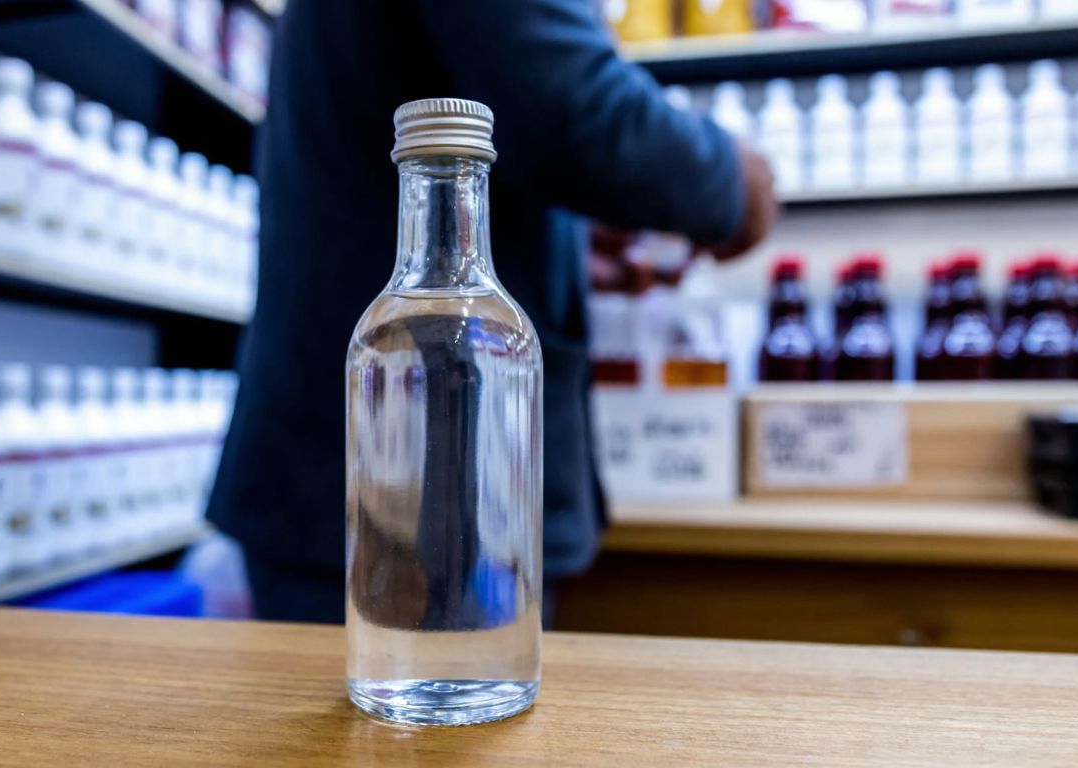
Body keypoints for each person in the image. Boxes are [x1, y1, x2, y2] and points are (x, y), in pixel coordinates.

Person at [207, 0, 778, 622]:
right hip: (409, 484)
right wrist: (736, 181)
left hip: (366, 472)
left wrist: (562, 253)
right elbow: (569, 105)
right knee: (414, 706)